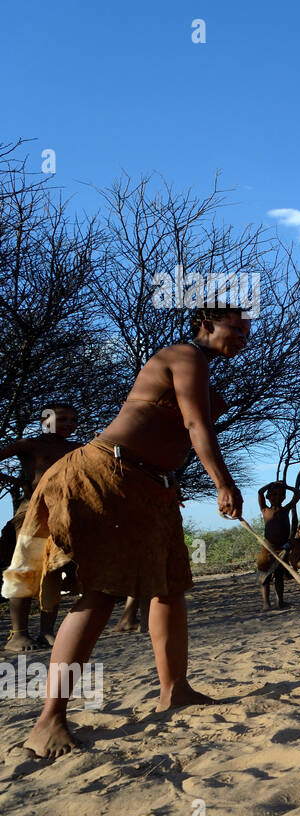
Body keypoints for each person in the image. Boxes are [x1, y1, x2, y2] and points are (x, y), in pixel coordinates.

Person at [2, 302, 249, 756]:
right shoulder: (184, 355)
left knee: (170, 586)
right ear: (205, 324)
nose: (243, 334)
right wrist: (223, 483)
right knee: (102, 591)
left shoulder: (203, 367)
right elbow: (196, 423)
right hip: (106, 476)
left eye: (247, 327)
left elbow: (177, 435)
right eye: (235, 326)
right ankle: (48, 720)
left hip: (151, 487)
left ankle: (174, 689)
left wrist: (171, 482)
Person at [0, 402, 81, 649]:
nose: (69, 424)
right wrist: (17, 481)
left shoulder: (78, 449)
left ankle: (46, 631)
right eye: (62, 419)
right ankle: (17, 633)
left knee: (54, 570)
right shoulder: (29, 445)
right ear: (46, 420)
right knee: (25, 569)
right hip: (32, 512)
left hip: (65, 513)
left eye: (73, 420)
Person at [256, 481, 300, 611]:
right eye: (274, 494)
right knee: (264, 576)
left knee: (279, 576)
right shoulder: (265, 509)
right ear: (268, 497)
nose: (277, 497)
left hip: (282, 548)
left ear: (284, 497)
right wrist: (272, 484)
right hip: (268, 548)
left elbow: (299, 493)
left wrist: (285, 487)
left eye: (281, 495)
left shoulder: (286, 509)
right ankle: (266, 604)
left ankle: (279, 602)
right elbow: (260, 492)